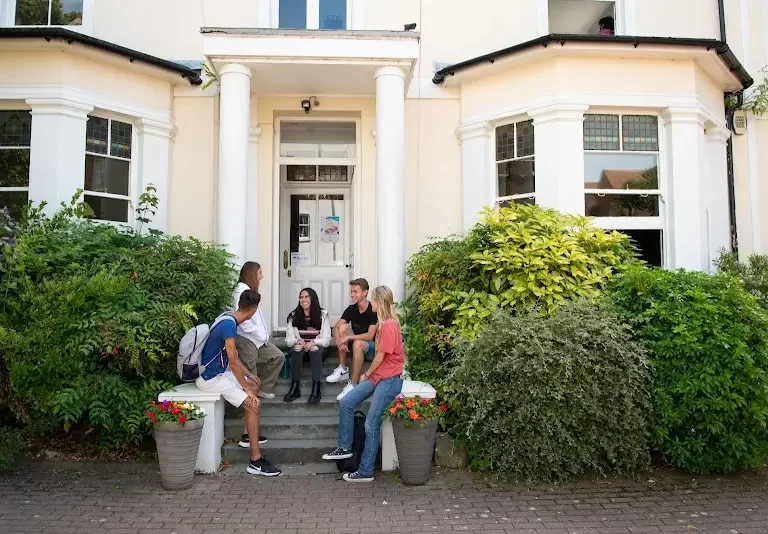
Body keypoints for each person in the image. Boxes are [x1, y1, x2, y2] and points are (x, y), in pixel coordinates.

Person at [321, 285, 405, 483]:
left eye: (373, 300)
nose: (371, 303)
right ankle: (344, 447)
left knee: (371, 423)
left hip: (389, 379)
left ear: (379, 302)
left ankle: (365, 471)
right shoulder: (383, 324)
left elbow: (381, 356)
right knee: (347, 402)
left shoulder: (390, 325)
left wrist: (366, 373)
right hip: (379, 376)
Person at [195, 290, 281, 476]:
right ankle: (256, 461)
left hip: (219, 373)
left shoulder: (228, 318)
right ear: (253, 310)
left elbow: (233, 359)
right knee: (252, 404)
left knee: (255, 384)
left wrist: (249, 376)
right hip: (211, 378)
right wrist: (245, 389)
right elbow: (233, 362)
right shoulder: (229, 326)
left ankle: (246, 435)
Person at [233, 262, 285, 449]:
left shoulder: (250, 290)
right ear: (252, 274)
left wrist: (262, 336)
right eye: (260, 272)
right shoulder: (241, 291)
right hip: (248, 341)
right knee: (250, 386)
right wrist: (258, 333)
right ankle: (246, 435)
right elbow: (243, 319)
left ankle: (262, 389)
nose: (262, 276)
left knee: (277, 356)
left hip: (259, 341)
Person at [326, 278, 378, 401]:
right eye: (351, 291)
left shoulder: (373, 309)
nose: (352, 294)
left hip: (372, 349)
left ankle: (353, 384)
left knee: (358, 342)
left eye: (356, 291)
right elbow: (336, 328)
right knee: (342, 327)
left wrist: (349, 337)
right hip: (356, 346)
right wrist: (339, 342)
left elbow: (370, 335)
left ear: (365, 292)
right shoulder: (351, 309)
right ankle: (343, 369)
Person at [284, 288, 332, 404]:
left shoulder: (322, 315)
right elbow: (289, 341)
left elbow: (326, 340)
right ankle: (295, 387)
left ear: (312, 298)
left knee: (314, 348)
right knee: (296, 348)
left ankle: (316, 388)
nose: (303, 300)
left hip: (317, 352)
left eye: (306, 297)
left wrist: (313, 342)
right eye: (301, 297)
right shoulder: (293, 315)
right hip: (301, 352)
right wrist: (298, 340)